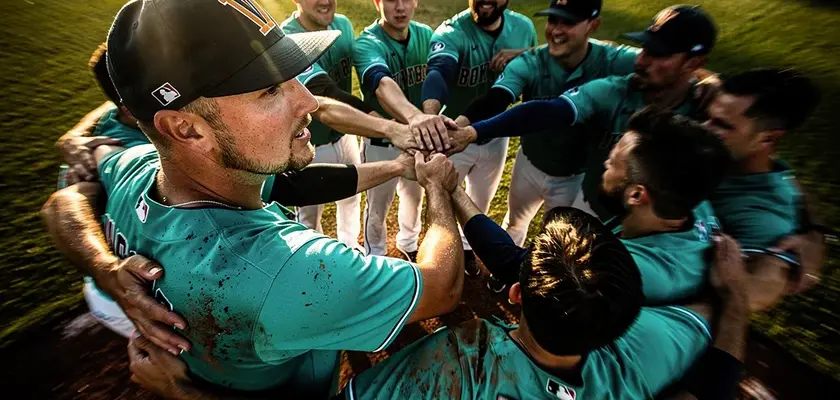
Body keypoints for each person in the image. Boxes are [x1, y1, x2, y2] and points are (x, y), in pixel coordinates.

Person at [41, 0, 464, 397]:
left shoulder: (141, 166)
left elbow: (63, 202)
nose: (309, 101)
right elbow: (441, 287)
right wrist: (437, 191)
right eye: (268, 90)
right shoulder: (287, 270)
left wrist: (105, 267)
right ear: (187, 129)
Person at [124, 208, 752, 400]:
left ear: (511, 296)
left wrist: (182, 393)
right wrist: (738, 301)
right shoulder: (651, 347)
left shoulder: (457, 361)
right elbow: (715, 380)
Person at [450, 4, 718, 222]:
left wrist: (710, 81)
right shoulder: (612, 87)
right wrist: (469, 130)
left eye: (658, 53)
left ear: (593, 25)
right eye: (553, 21)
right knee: (519, 224)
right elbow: (544, 109)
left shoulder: (705, 113)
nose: (642, 60)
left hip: (580, 180)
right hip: (569, 184)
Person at [420, 0, 538, 275]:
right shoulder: (451, 31)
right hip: (453, 137)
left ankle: (466, 249)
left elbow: (541, 63)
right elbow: (439, 71)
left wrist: (524, 54)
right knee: (442, 200)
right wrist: (430, 114)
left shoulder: (523, 28)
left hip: (495, 137)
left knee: (480, 201)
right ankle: (439, 257)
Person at [705, 68, 827, 308]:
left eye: (721, 125)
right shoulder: (721, 154)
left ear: (768, 139)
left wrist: (775, 267)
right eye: (708, 116)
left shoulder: (762, 214)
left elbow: (756, 293)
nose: (703, 127)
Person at [353, 0, 435, 260]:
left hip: (418, 142)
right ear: (377, 2)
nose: (400, 7)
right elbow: (381, 84)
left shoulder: (426, 35)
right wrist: (415, 118)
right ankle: (374, 255)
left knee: (414, 198)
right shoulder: (366, 42)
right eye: (390, 0)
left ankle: (409, 243)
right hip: (381, 143)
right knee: (377, 207)